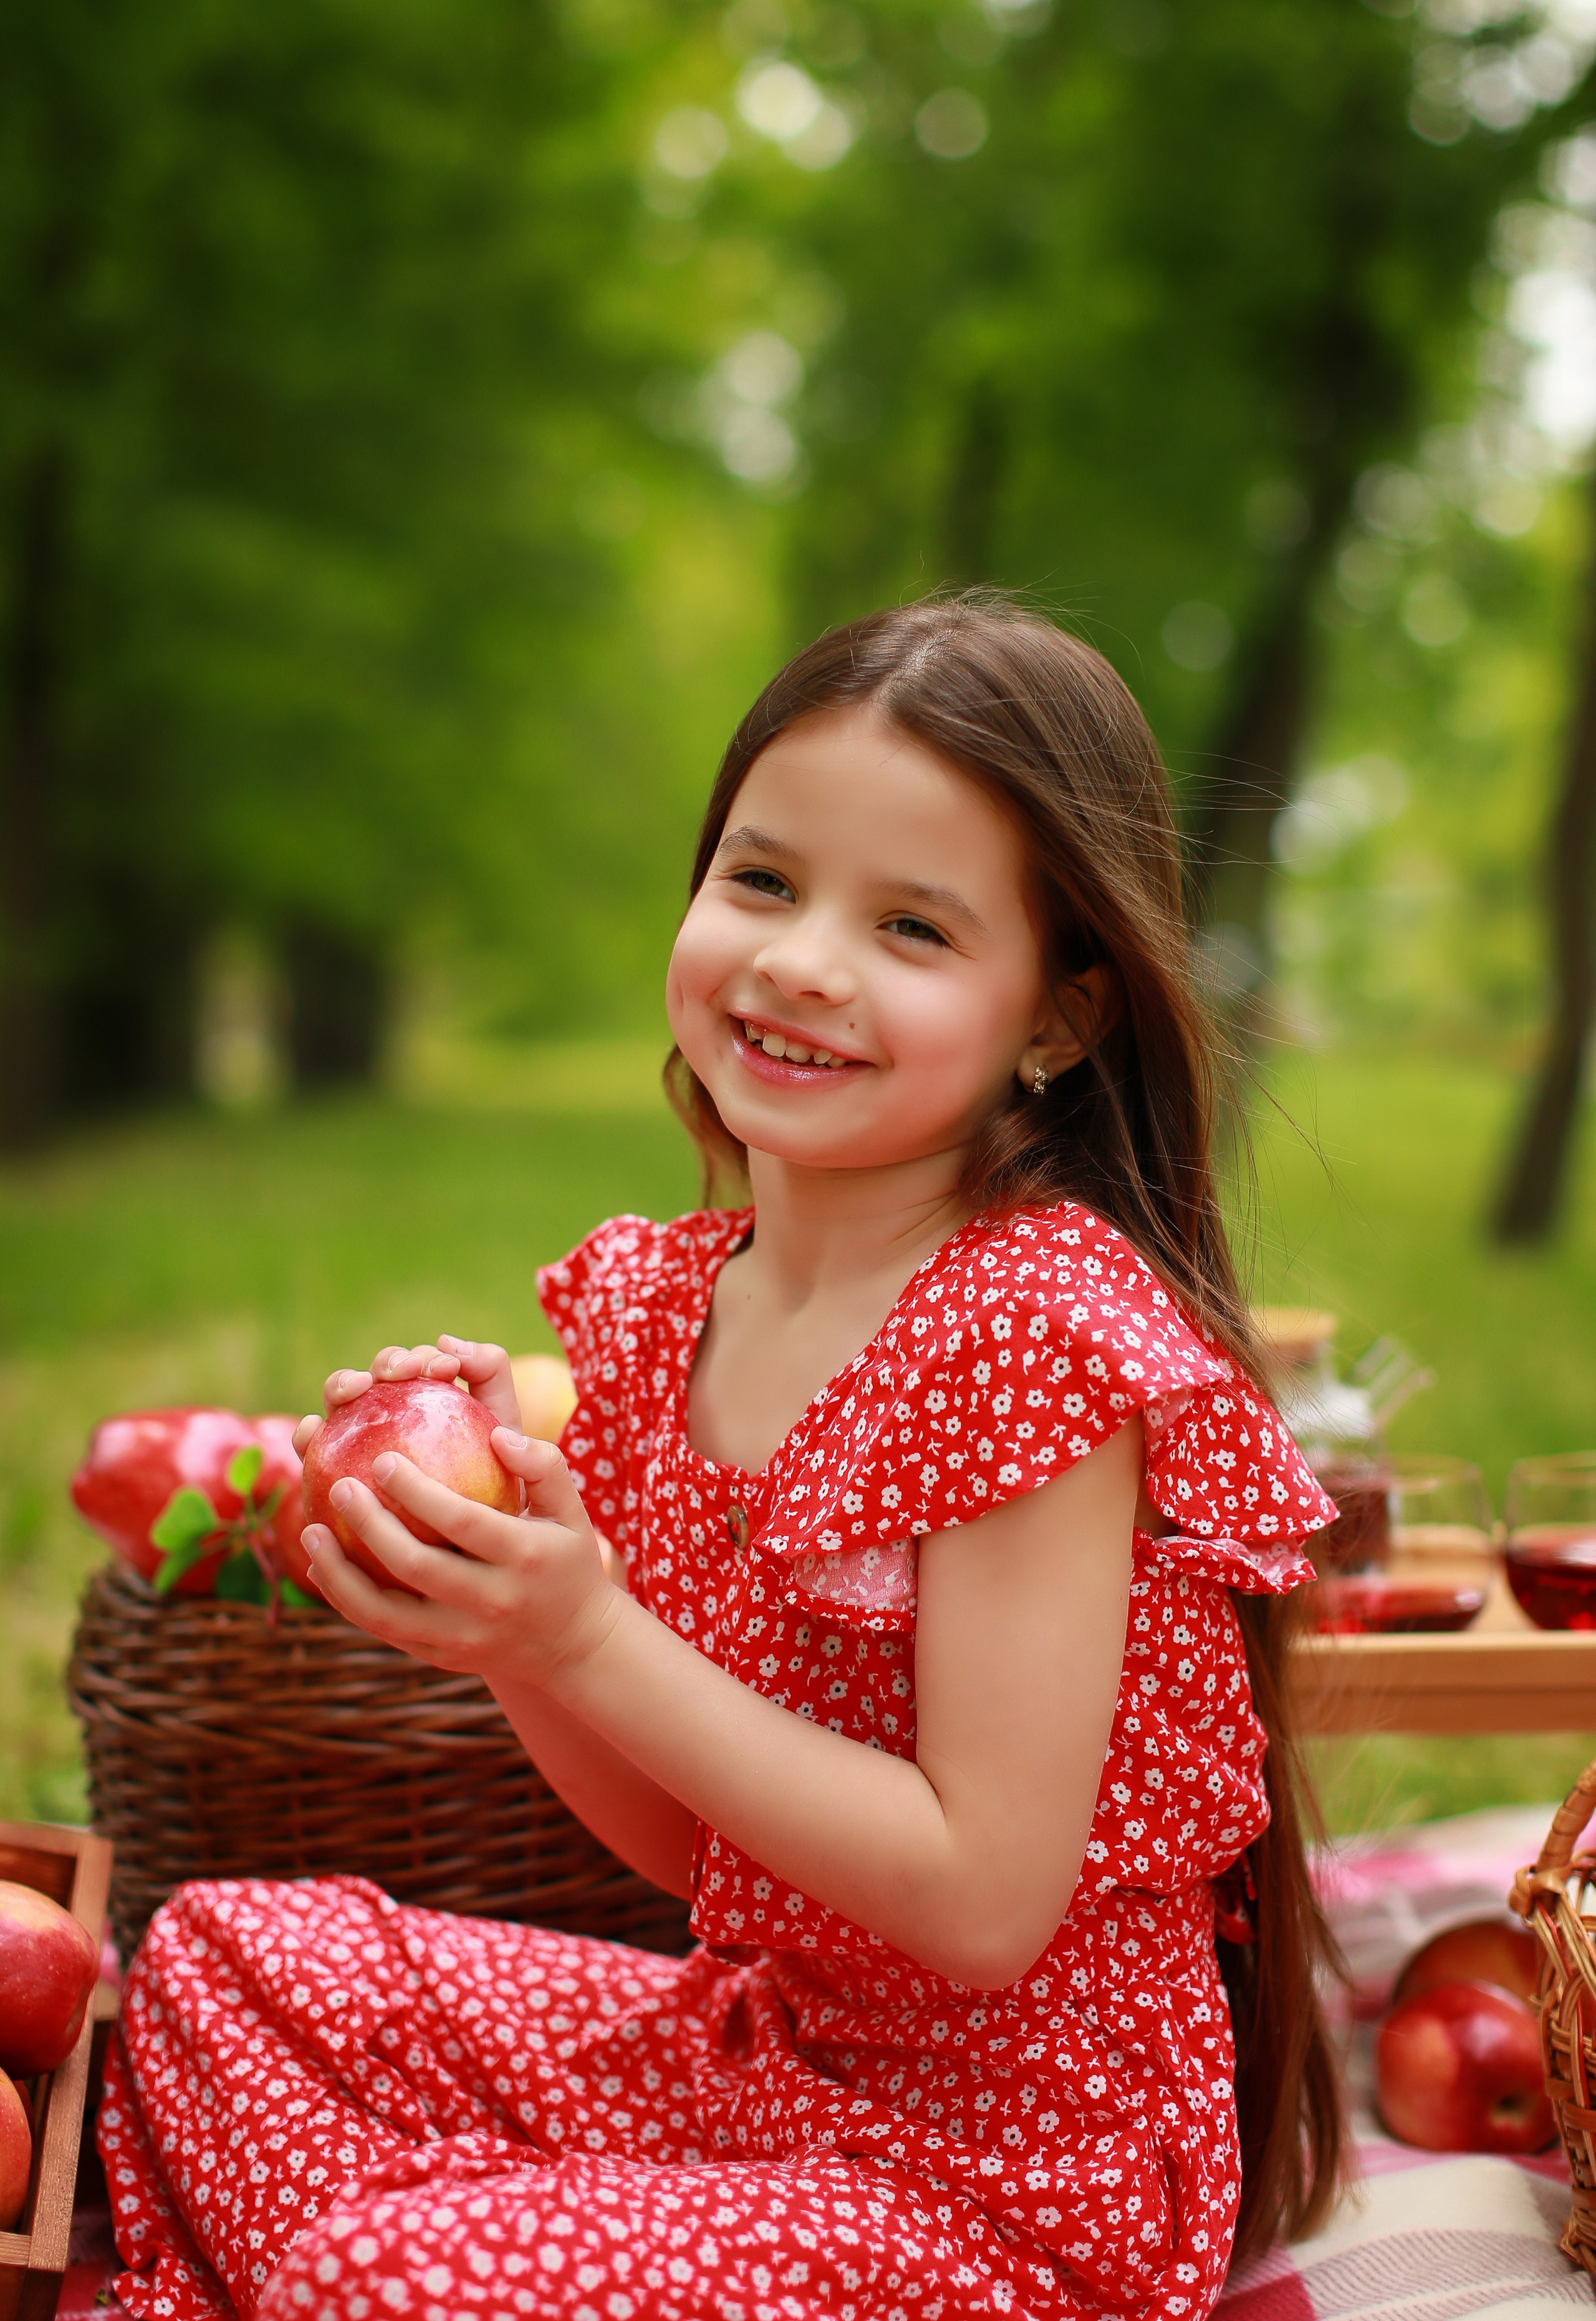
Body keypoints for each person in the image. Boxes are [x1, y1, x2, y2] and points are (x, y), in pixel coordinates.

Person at [99, 599, 1347, 2321]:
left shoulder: (1035, 1329)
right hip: (759, 2053)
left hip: (1011, 2176)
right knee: (218, 1959)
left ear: (1059, 1019)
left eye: (912, 926)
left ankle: (428, 2274)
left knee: (376, 2277)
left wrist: (589, 1634)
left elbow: (982, 1902)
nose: (803, 962)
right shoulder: (661, 1308)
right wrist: (516, 1635)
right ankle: (480, 2271)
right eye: (762, 880)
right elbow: (701, 1862)